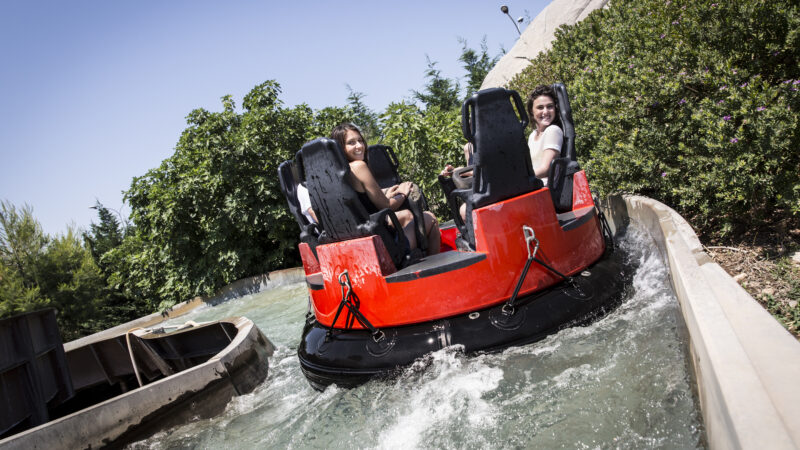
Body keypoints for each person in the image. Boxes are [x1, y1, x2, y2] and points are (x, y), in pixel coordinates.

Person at [331, 123, 441, 254]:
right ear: (340, 148)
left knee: (407, 215)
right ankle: (435, 265)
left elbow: (360, 206)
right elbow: (387, 206)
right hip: (385, 248)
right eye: (351, 143)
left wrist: (386, 195)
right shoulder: (358, 166)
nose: (359, 146)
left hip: (362, 244)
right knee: (429, 218)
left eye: (360, 140)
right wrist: (403, 193)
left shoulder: (333, 175)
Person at [526, 85, 563, 185]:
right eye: (540, 107)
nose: (545, 112)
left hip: (546, 188)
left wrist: (522, 178)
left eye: (550, 106)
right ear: (532, 111)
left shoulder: (553, 130)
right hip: (534, 186)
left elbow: (546, 169)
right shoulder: (532, 136)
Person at [439, 142, 473, 221]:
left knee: (464, 211)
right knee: (463, 211)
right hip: (475, 188)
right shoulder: (468, 147)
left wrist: (459, 172)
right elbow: (471, 172)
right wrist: (454, 171)